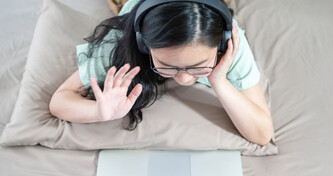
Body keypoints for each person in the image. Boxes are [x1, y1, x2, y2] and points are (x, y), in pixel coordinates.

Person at [49, 0, 273, 145]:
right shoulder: (118, 43)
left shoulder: (232, 44)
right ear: (143, 45)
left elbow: (262, 134)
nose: (185, 78)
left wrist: (219, 81)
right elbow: (59, 101)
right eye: (168, 65)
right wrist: (99, 111)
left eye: (199, 65)